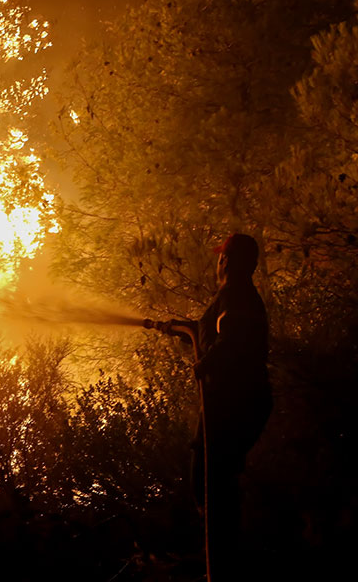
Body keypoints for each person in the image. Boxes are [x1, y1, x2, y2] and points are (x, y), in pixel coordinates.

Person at [151, 233, 271, 575]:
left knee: (210, 479)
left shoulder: (237, 295)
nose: (217, 262)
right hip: (235, 402)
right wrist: (182, 328)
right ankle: (221, 558)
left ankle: (222, 563)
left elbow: (232, 340)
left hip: (235, 402)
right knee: (215, 479)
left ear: (227, 260)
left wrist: (206, 364)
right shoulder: (233, 296)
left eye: (221, 257)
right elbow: (213, 332)